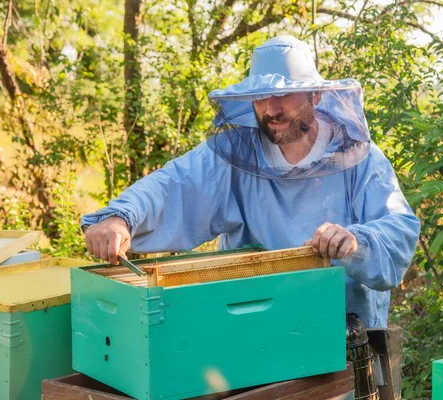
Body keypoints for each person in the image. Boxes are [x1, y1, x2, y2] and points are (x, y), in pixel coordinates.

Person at [81, 35, 420, 328]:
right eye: (260, 97)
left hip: (343, 334)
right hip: (252, 329)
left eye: (282, 96)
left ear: (314, 96)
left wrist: (355, 241)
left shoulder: (358, 158)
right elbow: (173, 185)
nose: (270, 109)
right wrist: (120, 218)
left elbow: (399, 231)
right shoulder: (232, 154)